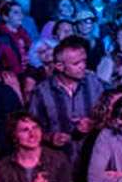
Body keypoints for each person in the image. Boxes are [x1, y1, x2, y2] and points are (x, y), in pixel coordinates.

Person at [27, 36, 104, 170]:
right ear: (59, 66)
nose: (83, 66)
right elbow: (31, 127)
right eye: (76, 63)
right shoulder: (41, 92)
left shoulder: (94, 83)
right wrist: (50, 137)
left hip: (93, 159)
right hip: (57, 163)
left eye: (84, 61)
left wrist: (94, 123)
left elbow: (108, 115)